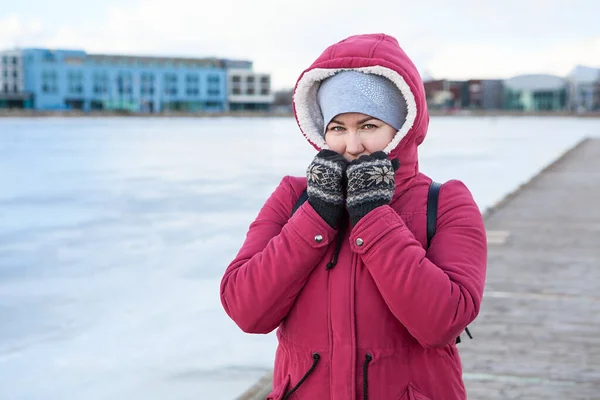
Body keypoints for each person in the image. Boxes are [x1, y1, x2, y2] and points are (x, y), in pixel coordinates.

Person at [220, 33, 487, 400]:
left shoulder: (446, 202)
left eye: (368, 126)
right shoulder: (293, 198)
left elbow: (443, 321)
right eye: (337, 128)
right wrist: (315, 215)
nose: (352, 145)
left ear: (403, 127)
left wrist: (373, 216)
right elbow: (246, 310)